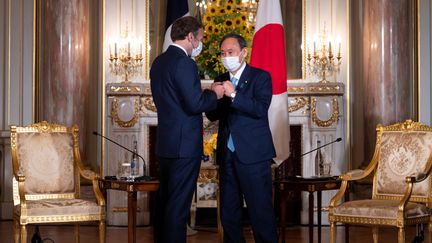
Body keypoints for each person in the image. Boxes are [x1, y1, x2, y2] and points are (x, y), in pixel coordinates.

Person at [150, 16, 224, 243]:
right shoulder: (185, 63)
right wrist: (215, 93)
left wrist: (202, 92)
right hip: (184, 146)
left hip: (166, 143)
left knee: (166, 201)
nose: (200, 44)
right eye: (200, 38)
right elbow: (195, 105)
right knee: (178, 205)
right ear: (190, 37)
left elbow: (176, 99)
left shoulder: (159, 62)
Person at [206, 33, 278, 243]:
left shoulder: (261, 77)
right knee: (229, 212)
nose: (226, 56)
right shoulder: (220, 79)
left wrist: (235, 94)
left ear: (243, 53)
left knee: (260, 210)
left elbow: (259, 109)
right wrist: (212, 96)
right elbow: (213, 115)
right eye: (223, 53)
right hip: (227, 155)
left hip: (254, 155)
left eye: (231, 52)